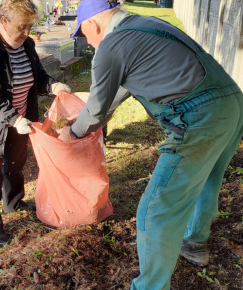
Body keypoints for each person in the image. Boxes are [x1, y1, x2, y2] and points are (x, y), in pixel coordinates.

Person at [58, 0, 243, 289]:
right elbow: (113, 97)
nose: (89, 43)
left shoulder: (111, 44)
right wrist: (85, 117)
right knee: (208, 178)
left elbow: (95, 110)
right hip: (232, 102)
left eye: (84, 35)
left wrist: (74, 134)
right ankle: (194, 243)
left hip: (199, 116)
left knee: (154, 209)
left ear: (93, 24)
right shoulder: (147, 25)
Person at [0, 0, 71, 246]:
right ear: (4, 21)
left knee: (15, 164)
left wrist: (52, 85)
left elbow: (38, 76)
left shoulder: (27, 44)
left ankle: (13, 203)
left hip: (20, 119)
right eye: (22, 27)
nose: (27, 33)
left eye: (30, 27)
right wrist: (13, 118)